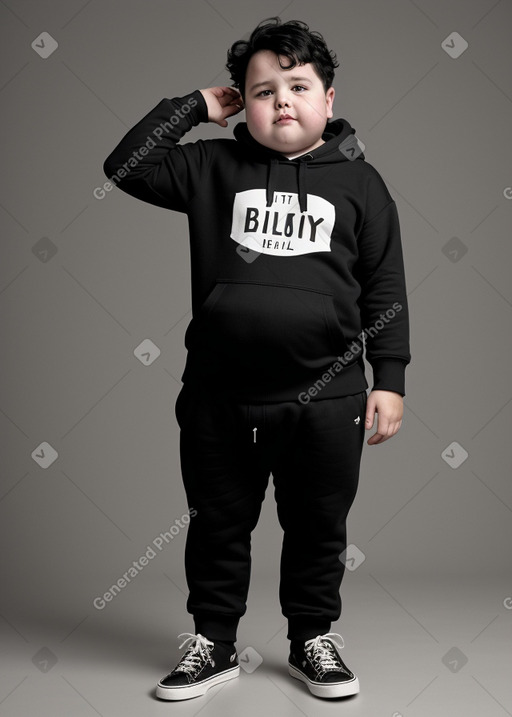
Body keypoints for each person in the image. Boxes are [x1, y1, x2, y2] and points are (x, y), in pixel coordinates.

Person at [102, 16, 411, 701]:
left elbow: (385, 285)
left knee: (318, 523)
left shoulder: (362, 185)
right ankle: (212, 644)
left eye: (298, 86)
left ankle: (312, 638)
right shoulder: (213, 166)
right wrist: (193, 108)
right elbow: (125, 165)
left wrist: (389, 379)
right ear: (243, 100)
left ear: (328, 100)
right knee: (218, 521)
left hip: (327, 399)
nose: (281, 101)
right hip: (220, 393)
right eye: (262, 89)